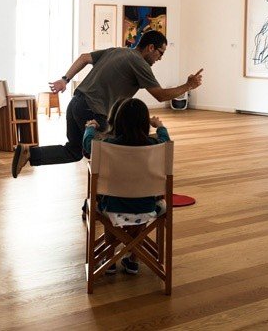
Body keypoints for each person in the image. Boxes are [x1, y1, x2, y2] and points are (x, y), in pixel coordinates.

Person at [12, 30, 202, 177]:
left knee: (73, 151)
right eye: (161, 53)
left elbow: (84, 57)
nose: (160, 58)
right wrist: (188, 85)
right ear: (151, 48)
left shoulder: (116, 51)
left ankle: (29, 153)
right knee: (109, 155)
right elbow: (160, 95)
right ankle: (103, 201)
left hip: (76, 103)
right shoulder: (140, 63)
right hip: (93, 110)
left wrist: (65, 79)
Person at [82, 97, 170, 275]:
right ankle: (134, 259)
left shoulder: (108, 145)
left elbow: (88, 144)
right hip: (147, 209)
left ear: (118, 121)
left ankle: (109, 259)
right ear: (145, 123)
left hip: (111, 209)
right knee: (140, 203)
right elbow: (166, 140)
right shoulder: (156, 145)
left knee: (110, 204)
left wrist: (90, 128)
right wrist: (160, 126)